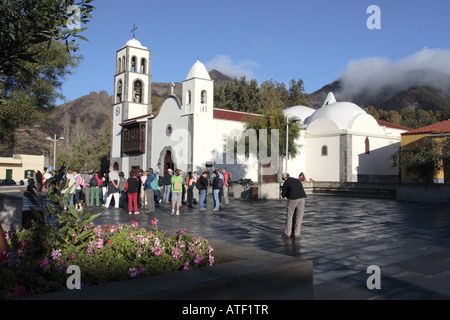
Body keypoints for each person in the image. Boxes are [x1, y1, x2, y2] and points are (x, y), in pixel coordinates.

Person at [281, 172, 307, 239]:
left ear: (284, 178)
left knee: (290, 215)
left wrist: (284, 191)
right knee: (299, 216)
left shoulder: (286, 182)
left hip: (293, 198)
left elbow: (283, 195)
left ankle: (287, 233)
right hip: (302, 198)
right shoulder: (297, 180)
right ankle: (297, 234)